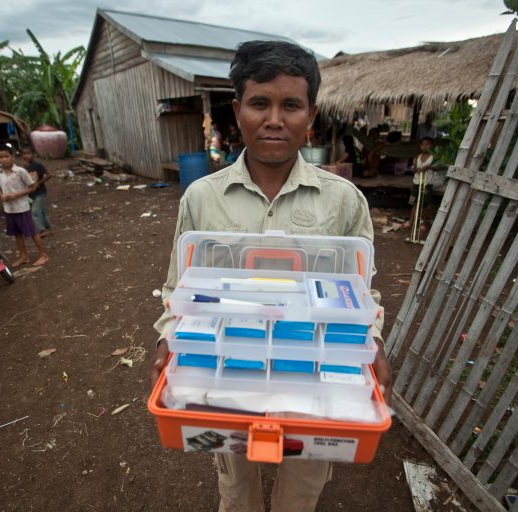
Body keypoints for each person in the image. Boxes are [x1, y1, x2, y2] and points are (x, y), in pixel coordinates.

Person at [150, 40, 393, 512]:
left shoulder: (344, 201)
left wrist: (373, 339)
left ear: (312, 114)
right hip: (223, 368)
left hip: (315, 363)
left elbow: (363, 289)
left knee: (304, 483)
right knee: (230, 478)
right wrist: (168, 337)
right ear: (237, 110)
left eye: (291, 105)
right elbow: (178, 285)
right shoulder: (201, 197)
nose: (275, 119)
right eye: (260, 103)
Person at [0, 145, 48, 267]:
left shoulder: (20, 172)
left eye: (6, 156)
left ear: (12, 157)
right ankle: (24, 256)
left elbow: (33, 187)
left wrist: (17, 194)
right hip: (9, 209)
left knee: (32, 232)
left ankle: (43, 254)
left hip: (22, 207)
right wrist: (1, 196)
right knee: (17, 233)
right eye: (0, 157)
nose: (4, 159)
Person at [403, 137, 435, 231]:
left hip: (427, 183)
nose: (425, 146)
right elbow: (414, 170)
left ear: (431, 146)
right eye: (423, 144)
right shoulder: (418, 157)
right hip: (416, 182)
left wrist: (428, 167)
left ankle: (425, 223)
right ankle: (411, 222)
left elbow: (439, 167)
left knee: (424, 204)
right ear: (420, 146)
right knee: (414, 203)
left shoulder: (433, 157)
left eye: (427, 144)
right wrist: (414, 167)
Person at [21, 145, 53, 237]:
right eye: (24, 154)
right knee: (42, 211)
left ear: (33, 154)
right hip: (31, 193)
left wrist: (39, 182)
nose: (26, 155)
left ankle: (42, 230)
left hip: (40, 192)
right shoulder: (25, 167)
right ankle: (49, 228)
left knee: (34, 212)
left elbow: (49, 175)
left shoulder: (37, 165)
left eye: (28, 153)